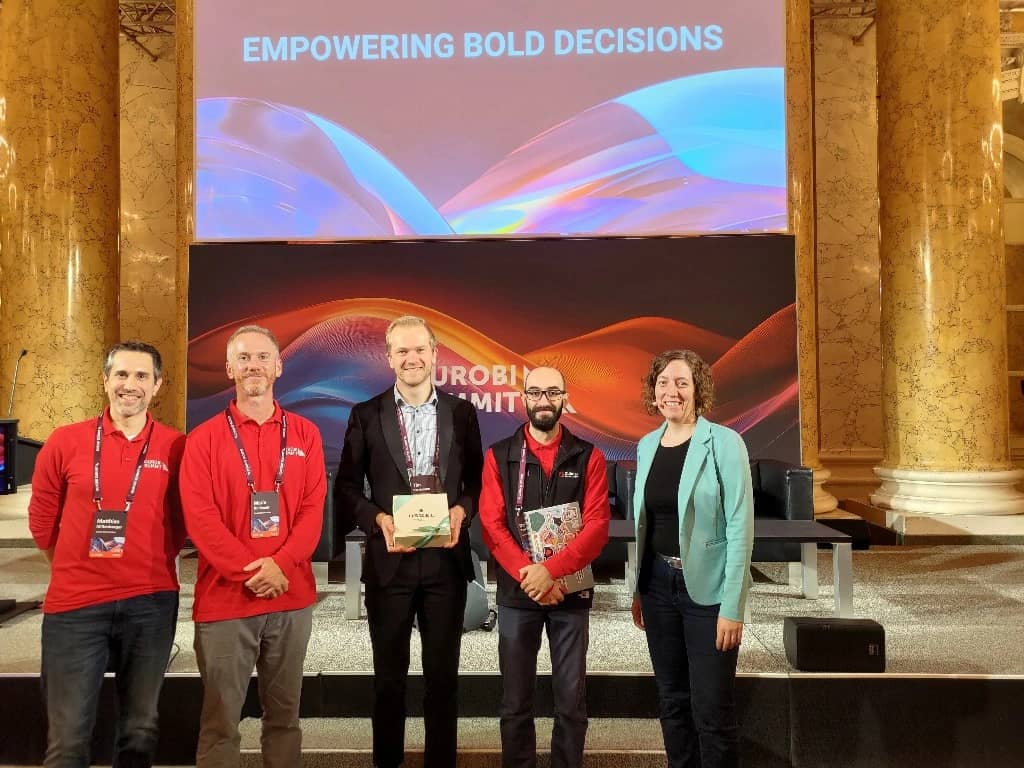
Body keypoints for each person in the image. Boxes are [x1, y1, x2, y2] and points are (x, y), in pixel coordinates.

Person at [335, 315, 483, 768]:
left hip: (445, 565)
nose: (412, 358)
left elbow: (476, 483)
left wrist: (460, 511)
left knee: (443, 679)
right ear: (389, 358)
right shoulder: (365, 414)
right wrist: (379, 519)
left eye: (420, 350)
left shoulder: (461, 412)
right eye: (402, 350)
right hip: (390, 565)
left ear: (436, 355)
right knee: (389, 681)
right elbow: (345, 487)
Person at [29, 341, 185, 767]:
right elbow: (42, 521)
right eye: (121, 375)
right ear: (105, 380)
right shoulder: (66, 442)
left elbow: (184, 522)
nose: (129, 385)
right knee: (67, 741)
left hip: (151, 603)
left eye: (140, 377)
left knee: (139, 733)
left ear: (157, 386)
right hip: (76, 606)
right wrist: (69, 568)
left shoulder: (176, 447)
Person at [179, 325, 325, 768]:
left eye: (262, 357)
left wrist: (279, 565)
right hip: (225, 602)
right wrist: (254, 571)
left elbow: (312, 511)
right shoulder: (202, 439)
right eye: (243, 359)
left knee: (285, 718)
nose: (253, 366)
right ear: (229, 369)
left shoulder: (305, 434)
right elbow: (200, 520)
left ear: (279, 366)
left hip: (291, 597)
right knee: (221, 721)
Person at [478, 366, 610, 768]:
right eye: (535, 392)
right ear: (524, 398)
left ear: (564, 399)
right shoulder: (499, 455)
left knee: (571, 701)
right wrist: (530, 574)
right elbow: (492, 523)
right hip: (519, 594)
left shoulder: (589, 456)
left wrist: (550, 572)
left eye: (553, 392)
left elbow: (597, 526)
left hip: (570, 593)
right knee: (516, 702)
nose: (543, 400)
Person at [631, 349, 754, 768]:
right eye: (663, 382)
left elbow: (740, 526)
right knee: (672, 702)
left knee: (712, 711)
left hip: (709, 592)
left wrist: (733, 605)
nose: (671, 391)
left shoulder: (724, 442)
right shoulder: (647, 445)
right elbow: (646, 526)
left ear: (698, 389)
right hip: (657, 587)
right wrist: (638, 589)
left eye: (682, 382)